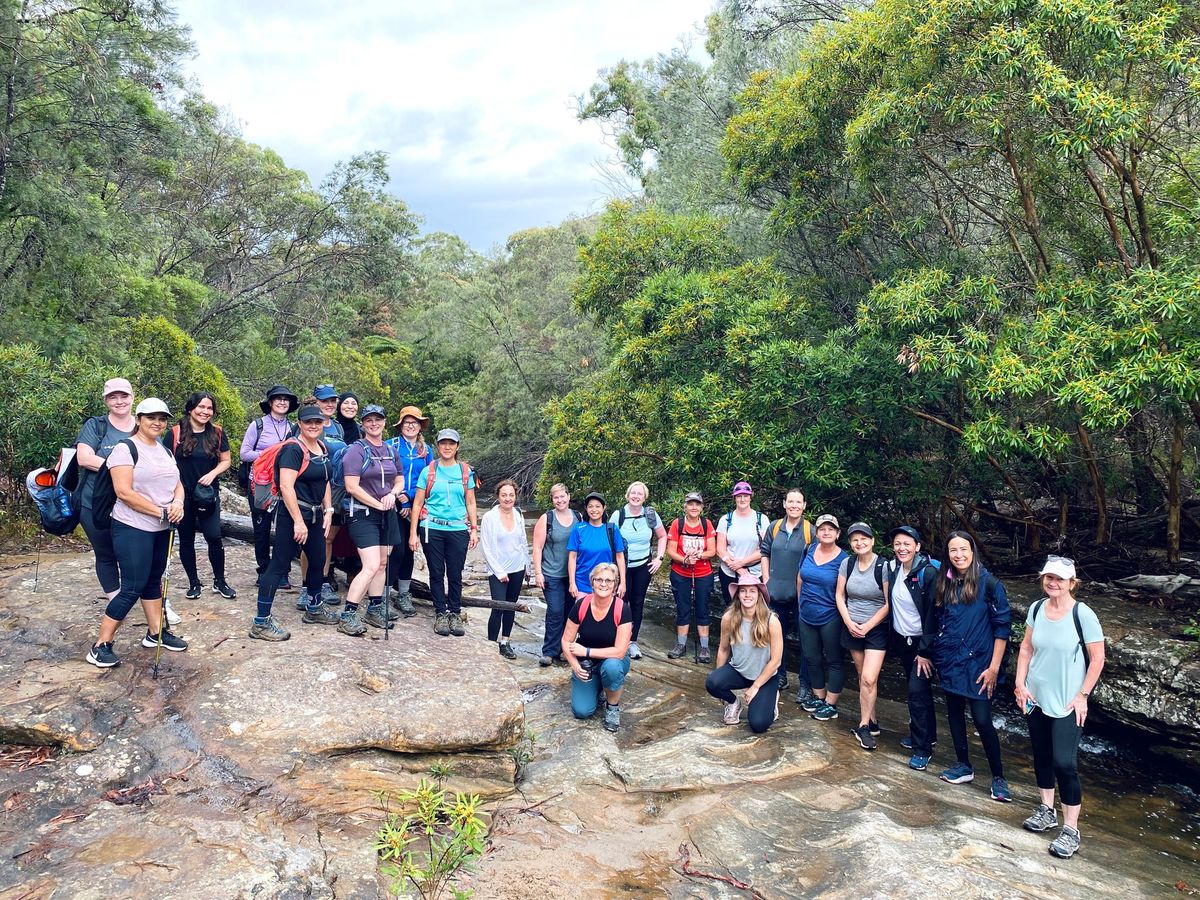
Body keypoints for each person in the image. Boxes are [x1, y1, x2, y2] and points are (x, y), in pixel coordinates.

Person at [1014, 556, 1105, 859]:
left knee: (1064, 762)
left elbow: (1098, 659)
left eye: (1060, 579)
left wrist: (1083, 695)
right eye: (1048, 578)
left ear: (1072, 583)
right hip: (1036, 696)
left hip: (1068, 701)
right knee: (1041, 754)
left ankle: (1071, 829)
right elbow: (1026, 648)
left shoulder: (1084, 614)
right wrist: (1020, 683)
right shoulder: (1037, 608)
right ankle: (1046, 810)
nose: (1053, 583)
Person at [85, 398, 186, 668]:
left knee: (153, 581)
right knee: (132, 587)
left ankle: (156, 633)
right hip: (132, 527)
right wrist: (160, 511)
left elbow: (177, 483)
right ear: (139, 419)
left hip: (161, 528)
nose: (157, 422)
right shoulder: (125, 449)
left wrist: (177, 504)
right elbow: (124, 492)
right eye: (151, 417)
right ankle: (100, 645)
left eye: (162, 418)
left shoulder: (165, 451)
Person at [925, 530, 1013, 802]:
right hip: (950, 659)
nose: (959, 555)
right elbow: (939, 620)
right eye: (953, 550)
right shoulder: (945, 583)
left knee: (983, 719)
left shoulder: (990, 585)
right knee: (953, 713)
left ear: (973, 551)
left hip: (981, 664)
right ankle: (963, 764)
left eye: (963, 549)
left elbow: (1002, 629)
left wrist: (995, 667)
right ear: (947, 555)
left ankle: (998, 777)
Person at [249, 405, 334, 641]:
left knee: (317, 560)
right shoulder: (293, 450)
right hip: (294, 515)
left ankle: (314, 608)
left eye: (317, 422)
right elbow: (286, 487)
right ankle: (261, 621)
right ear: (300, 423)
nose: (314, 426)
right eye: (308, 422)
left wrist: (329, 509)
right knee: (278, 564)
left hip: (316, 515)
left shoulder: (321, 447)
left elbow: (325, 480)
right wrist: (298, 521)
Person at [408, 428, 478, 638]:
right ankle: (440, 613)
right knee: (436, 573)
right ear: (437, 446)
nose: (447, 447)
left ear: (457, 446)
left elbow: (471, 502)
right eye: (443, 443)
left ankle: (454, 613)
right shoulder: (428, 471)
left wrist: (474, 529)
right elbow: (418, 503)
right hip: (432, 528)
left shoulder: (465, 472)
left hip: (458, 528)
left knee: (455, 573)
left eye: (451, 443)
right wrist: (413, 534)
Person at [165, 392, 234, 601]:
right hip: (182, 495)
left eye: (209, 408)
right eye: (201, 407)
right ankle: (194, 582)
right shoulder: (175, 434)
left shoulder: (218, 433)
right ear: (190, 409)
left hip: (208, 493)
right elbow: (165, 463)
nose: (205, 412)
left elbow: (226, 460)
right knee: (186, 539)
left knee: (214, 536)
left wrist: (212, 474)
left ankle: (219, 581)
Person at [341, 405, 403, 634]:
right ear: (363, 424)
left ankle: (375, 608)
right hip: (362, 514)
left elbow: (399, 480)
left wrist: (392, 495)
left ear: (385, 422)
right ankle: (348, 614)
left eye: (378, 419)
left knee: (383, 562)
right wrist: (378, 503)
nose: (374, 424)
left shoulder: (390, 450)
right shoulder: (356, 451)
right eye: (369, 420)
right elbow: (351, 486)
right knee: (371, 565)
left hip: (387, 513)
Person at [75, 377, 136, 602]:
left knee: (136, 554)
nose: (119, 401)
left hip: (132, 504)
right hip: (95, 503)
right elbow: (84, 457)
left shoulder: (143, 426)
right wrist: (121, 467)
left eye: (124, 396)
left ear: (132, 397)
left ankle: (148, 597)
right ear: (105, 400)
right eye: (113, 397)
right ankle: (116, 600)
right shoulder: (96, 425)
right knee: (106, 554)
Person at [886, 525, 941, 770]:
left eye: (907, 543)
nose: (902, 548)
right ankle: (927, 735)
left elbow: (933, 614)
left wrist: (925, 650)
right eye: (898, 544)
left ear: (918, 546)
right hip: (904, 641)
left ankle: (922, 749)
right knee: (920, 691)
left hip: (922, 644)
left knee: (916, 693)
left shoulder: (927, 573)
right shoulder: (896, 568)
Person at [705, 573, 784, 733]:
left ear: (759, 595)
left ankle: (770, 699)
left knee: (758, 724)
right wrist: (719, 676)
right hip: (739, 671)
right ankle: (734, 704)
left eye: (752, 591)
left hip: (764, 676)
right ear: (738, 595)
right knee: (712, 682)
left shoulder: (772, 621)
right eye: (743, 591)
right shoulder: (729, 618)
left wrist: (755, 687)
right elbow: (723, 649)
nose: (747, 595)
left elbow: (776, 661)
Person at [835, 522, 890, 750]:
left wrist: (867, 626)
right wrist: (848, 621)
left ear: (872, 540)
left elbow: (889, 603)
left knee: (869, 677)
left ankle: (863, 725)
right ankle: (872, 719)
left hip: (875, 628)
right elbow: (839, 595)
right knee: (862, 675)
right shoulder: (847, 564)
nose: (860, 543)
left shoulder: (883, 566)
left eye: (864, 538)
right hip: (852, 625)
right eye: (855, 539)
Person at [239, 384, 299, 589]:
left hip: (286, 483)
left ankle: (282, 571)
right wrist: (272, 453)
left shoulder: (294, 428)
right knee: (262, 528)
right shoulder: (258, 426)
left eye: (286, 399)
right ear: (270, 402)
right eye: (278, 398)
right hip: (261, 484)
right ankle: (263, 570)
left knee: (285, 528)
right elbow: (244, 453)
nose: (282, 402)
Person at [563, 563, 632, 732]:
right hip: (587, 664)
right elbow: (565, 640)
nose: (603, 584)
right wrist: (575, 665)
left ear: (615, 585)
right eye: (599, 579)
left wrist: (585, 651)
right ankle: (599, 686)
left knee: (612, 667)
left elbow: (620, 651)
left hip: (613, 661)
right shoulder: (581, 605)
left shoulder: (622, 609)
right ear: (592, 582)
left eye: (609, 580)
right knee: (582, 711)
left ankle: (612, 707)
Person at [760, 488, 814, 700]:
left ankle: (804, 683)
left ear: (804, 505)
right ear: (784, 504)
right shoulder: (774, 527)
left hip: (801, 596)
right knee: (776, 637)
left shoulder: (811, 531)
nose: (794, 505)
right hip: (776, 593)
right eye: (790, 501)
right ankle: (779, 676)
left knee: (805, 640)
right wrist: (766, 580)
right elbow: (764, 552)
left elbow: (816, 560)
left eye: (798, 502)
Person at [796, 514, 849, 721]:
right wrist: (800, 604)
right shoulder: (809, 550)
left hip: (831, 616)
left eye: (830, 529)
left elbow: (844, 592)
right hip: (806, 614)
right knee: (812, 658)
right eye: (822, 529)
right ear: (816, 533)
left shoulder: (844, 559)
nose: (826, 533)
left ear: (837, 533)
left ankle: (831, 703)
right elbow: (800, 578)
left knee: (834, 660)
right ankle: (819, 697)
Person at [610, 481, 666, 660]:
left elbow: (663, 536)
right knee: (620, 602)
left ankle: (632, 642)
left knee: (637, 603)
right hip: (622, 567)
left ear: (644, 497)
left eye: (639, 494)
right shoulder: (618, 516)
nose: (635, 496)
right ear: (627, 495)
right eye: (633, 493)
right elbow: (609, 541)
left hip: (643, 566)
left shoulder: (650, 515)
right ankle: (618, 640)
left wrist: (659, 558)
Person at [385, 405, 432, 617]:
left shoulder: (427, 450)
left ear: (420, 426)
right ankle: (383, 595)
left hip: (417, 506)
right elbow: (383, 474)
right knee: (396, 550)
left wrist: (411, 497)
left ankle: (403, 594)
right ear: (401, 425)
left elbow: (430, 480)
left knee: (410, 550)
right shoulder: (391, 445)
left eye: (415, 422)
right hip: (392, 504)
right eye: (407, 422)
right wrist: (399, 499)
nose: (411, 426)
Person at [531, 482, 581, 667]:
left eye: (562, 496)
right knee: (555, 611)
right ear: (552, 499)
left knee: (570, 613)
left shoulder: (578, 516)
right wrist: (538, 573)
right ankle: (549, 651)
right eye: (556, 497)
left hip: (573, 576)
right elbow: (537, 547)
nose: (560, 500)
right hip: (551, 573)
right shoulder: (547, 518)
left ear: (568, 496)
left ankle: (564, 649)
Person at [481, 479, 531, 659]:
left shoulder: (518, 514)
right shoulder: (490, 517)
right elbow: (485, 547)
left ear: (515, 496)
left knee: (511, 606)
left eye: (511, 495)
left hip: (517, 567)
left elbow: (523, 541)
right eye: (504, 495)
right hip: (498, 570)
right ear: (498, 497)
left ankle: (505, 641)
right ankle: (491, 643)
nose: (508, 499)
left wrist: (528, 565)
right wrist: (499, 572)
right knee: (498, 606)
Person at [665, 492, 717, 662]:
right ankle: (681, 644)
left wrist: (699, 556)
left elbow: (712, 551)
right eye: (690, 504)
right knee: (683, 608)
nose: (694, 507)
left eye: (697, 504)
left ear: (702, 507)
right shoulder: (677, 524)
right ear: (685, 506)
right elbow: (671, 551)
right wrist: (685, 559)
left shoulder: (706, 524)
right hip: (681, 572)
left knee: (702, 608)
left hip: (703, 573)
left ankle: (704, 647)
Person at [309, 385, 347, 606]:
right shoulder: (309, 424)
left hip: (337, 491)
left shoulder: (338, 427)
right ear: (317, 402)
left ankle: (323, 580)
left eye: (333, 400)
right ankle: (309, 583)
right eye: (325, 401)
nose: (330, 404)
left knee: (329, 538)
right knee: (314, 538)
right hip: (315, 489)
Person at [715, 481, 770, 602]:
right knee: (731, 609)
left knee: (755, 609)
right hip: (729, 573)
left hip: (755, 572)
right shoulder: (726, 520)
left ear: (751, 497)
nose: (742, 499)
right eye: (739, 496)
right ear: (734, 498)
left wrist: (743, 562)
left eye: (745, 496)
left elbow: (766, 549)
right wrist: (739, 569)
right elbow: (720, 549)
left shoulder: (762, 519)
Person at [567, 492, 626, 602]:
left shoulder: (612, 530)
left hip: (606, 585)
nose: (594, 510)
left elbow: (620, 557)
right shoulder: (578, 529)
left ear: (604, 508)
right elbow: (572, 558)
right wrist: (572, 583)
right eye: (590, 506)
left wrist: (622, 583)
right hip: (582, 585)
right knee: (583, 617)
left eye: (598, 506)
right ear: (586, 508)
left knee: (605, 617)